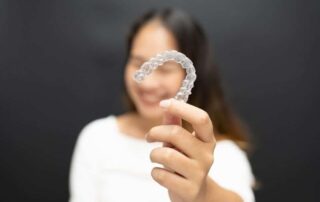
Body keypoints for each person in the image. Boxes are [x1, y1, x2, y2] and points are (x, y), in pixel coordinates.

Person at [69, 8, 255, 202]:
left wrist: (203, 193)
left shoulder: (225, 155)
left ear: (192, 75)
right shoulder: (98, 138)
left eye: (165, 69)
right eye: (137, 63)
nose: (147, 83)